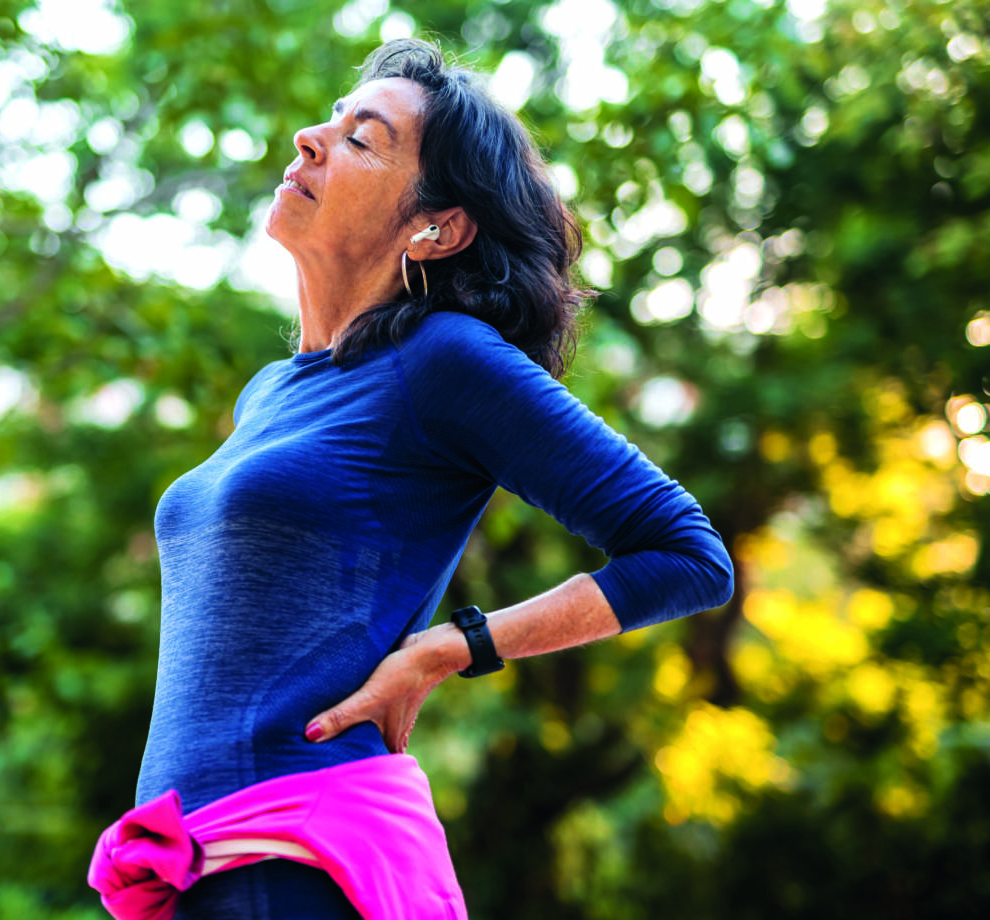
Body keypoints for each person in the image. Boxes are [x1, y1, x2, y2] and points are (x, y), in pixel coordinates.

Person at [90, 38, 734, 919]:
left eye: (363, 139)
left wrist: (450, 647)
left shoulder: (442, 360)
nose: (312, 139)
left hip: (297, 868)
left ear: (438, 227)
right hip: (187, 869)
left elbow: (688, 554)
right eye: (330, 122)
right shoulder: (271, 393)